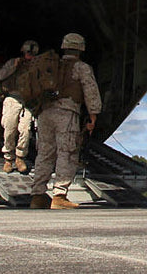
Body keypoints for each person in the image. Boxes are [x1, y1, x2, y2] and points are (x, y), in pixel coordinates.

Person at [28, 32, 102, 209]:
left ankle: (37, 195)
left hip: (44, 113)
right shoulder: (81, 67)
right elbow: (91, 92)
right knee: (66, 152)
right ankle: (59, 196)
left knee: (44, 153)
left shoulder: (52, 66)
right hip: (66, 114)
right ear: (80, 49)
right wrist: (93, 116)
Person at [0, 40, 38, 174]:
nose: (30, 56)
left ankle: (20, 157)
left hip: (27, 101)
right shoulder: (13, 63)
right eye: (28, 53)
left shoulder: (37, 66)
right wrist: (14, 66)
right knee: (9, 129)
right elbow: (0, 76)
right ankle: (8, 159)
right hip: (12, 98)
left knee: (25, 130)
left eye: (32, 53)